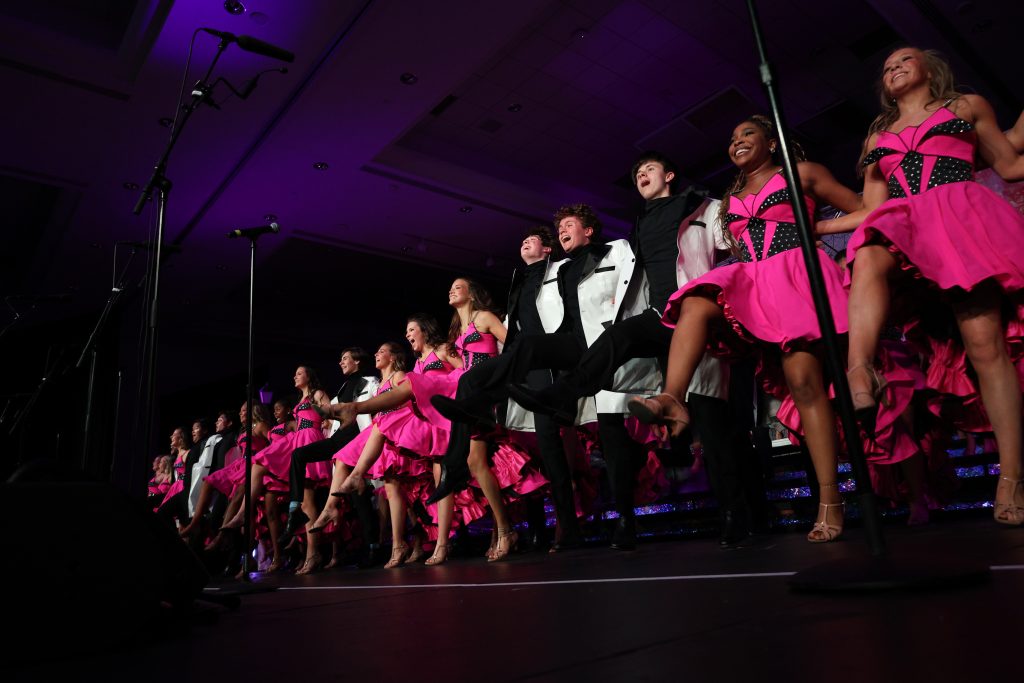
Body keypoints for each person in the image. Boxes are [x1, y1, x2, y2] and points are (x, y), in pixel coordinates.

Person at [625, 115, 863, 543]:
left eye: (747, 134)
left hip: (795, 278)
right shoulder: (731, 199)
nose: (736, 142)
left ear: (771, 142)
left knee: (804, 384)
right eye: (732, 138)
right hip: (755, 281)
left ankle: (830, 500)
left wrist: (817, 228)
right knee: (695, 301)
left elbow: (863, 208)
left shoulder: (801, 173)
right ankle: (672, 399)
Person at [842, 47, 1024, 525]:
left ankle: (1012, 476)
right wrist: (811, 228)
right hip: (904, 221)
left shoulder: (965, 106)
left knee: (985, 348)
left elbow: (1008, 166)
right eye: (885, 67)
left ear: (929, 67)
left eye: (903, 59)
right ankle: (859, 370)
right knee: (867, 247)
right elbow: (872, 207)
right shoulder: (877, 136)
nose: (892, 67)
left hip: (961, 220)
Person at [279, 347, 380, 558]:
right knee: (298, 455)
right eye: (341, 359)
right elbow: (333, 414)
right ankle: (295, 509)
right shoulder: (342, 389)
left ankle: (372, 547)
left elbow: (374, 409)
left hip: (359, 440)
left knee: (359, 496)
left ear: (357, 361)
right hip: (339, 441)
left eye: (345, 359)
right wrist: (325, 415)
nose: (341, 362)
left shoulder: (371, 382)